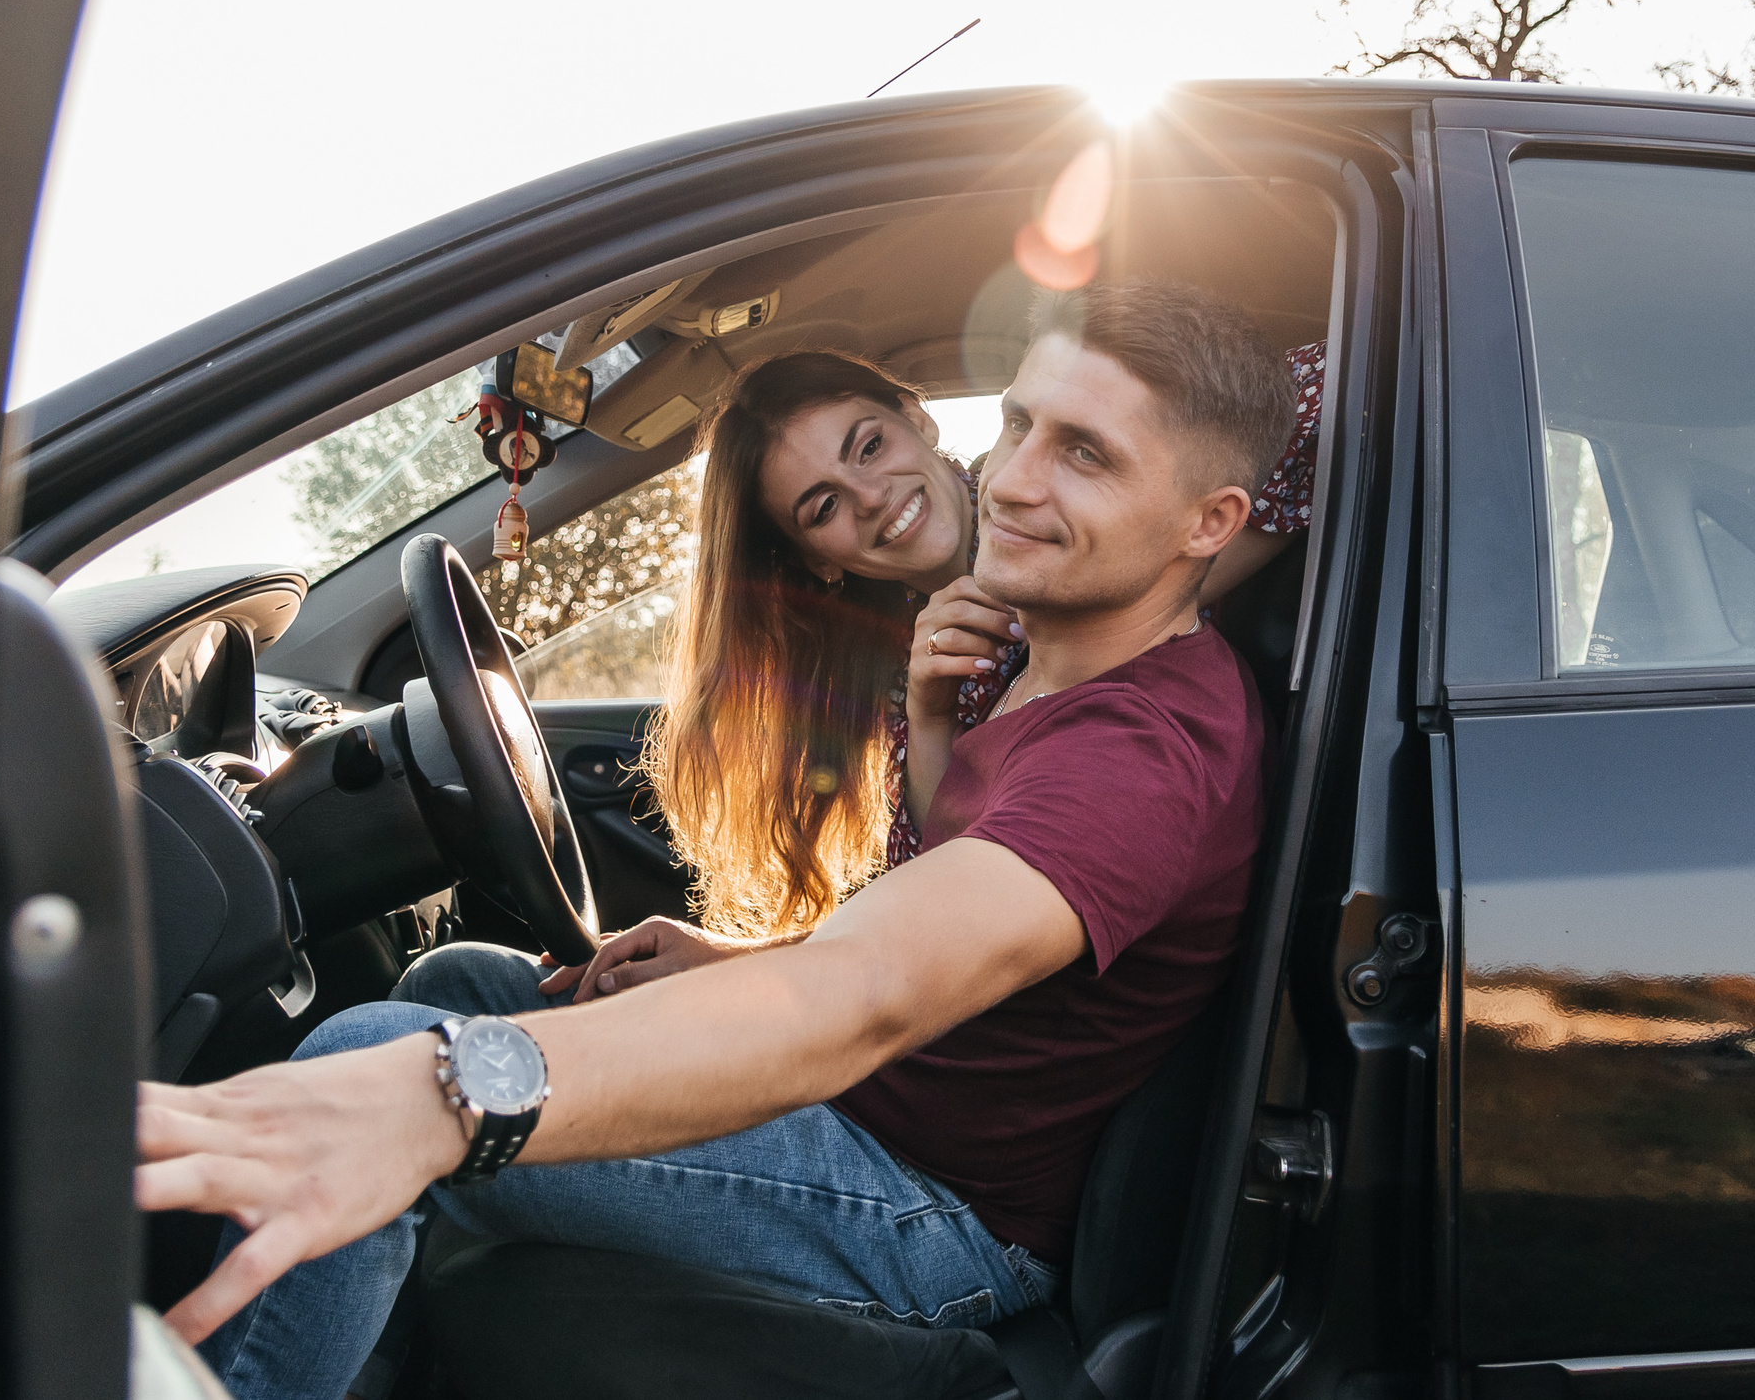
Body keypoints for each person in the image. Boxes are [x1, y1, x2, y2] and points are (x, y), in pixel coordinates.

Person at [139, 282, 1302, 1398]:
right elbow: (922, 915)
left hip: (933, 1217)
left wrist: (443, 1095)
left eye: (1086, 454)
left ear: (1209, 522)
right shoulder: (1011, 660)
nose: (1011, 481)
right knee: (461, 978)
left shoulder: (1143, 757)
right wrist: (739, 953)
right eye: (1016, 423)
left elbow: (866, 993)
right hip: (869, 1116)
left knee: (385, 1052)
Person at [635, 324, 1325, 950]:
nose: (870, 495)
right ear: (817, 557)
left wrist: (1177, 560)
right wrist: (729, 958)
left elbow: (1331, 374)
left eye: (870, 446)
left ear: (918, 417)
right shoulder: (903, 658)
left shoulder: (1077, 519)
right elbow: (933, 905)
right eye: (825, 506)